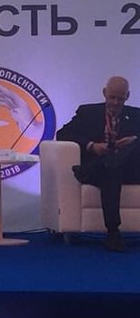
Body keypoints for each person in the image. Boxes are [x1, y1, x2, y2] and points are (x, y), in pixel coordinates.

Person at [56, 75, 140, 253]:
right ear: (104, 93)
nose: (116, 102)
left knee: (131, 149)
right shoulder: (88, 112)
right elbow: (62, 134)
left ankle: (101, 166)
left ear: (128, 96)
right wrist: (91, 146)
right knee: (111, 171)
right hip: (99, 166)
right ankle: (113, 232)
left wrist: (132, 141)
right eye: (112, 97)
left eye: (120, 98)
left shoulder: (136, 115)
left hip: (126, 169)